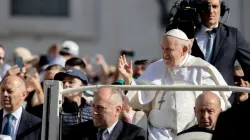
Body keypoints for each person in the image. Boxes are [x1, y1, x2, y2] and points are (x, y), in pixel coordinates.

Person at [119, 29, 231, 140]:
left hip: (193, 131)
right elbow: (138, 100)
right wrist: (128, 79)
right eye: (162, 48)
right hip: (159, 133)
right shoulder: (155, 68)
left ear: (184, 49)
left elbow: (217, 103)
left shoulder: (202, 69)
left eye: (169, 49)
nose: (164, 54)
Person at [191, 0, 250, 92]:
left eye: (214, 6)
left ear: (221, 9)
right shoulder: (188, 35)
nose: (211, 11)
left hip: (225, 98)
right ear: (199, 9)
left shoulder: (233, 35)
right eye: (206, 6)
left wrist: (245, 85)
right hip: (194, 96)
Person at [66, 86, 146, 140]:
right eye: (93, 106)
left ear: (117, 110)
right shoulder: (77, 132)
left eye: (100, 108)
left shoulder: (134, 135)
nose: (94, 112)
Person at [54, 67, 92, 138]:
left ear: (83, 86)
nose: (65, 85)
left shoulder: (93, 109)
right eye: (63, 82)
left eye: (71, 82)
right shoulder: (57, 109)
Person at [0, 76, 41, 140]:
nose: (4, 94)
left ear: (23, 95)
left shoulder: (36, 125)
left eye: (9, 91)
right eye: (2, 90)